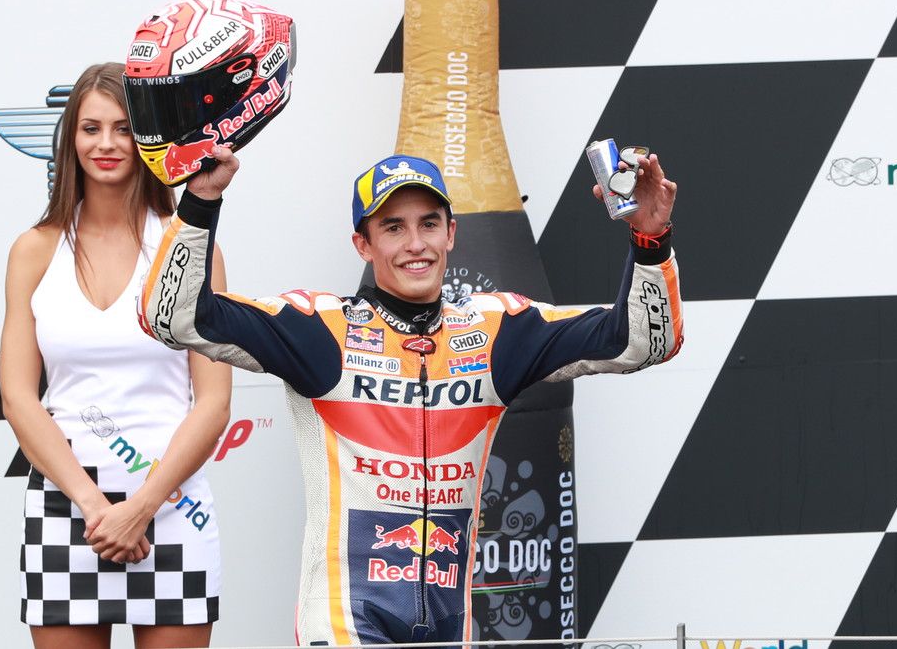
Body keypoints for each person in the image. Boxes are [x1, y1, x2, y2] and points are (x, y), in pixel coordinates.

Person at [138, 147, 681, 645]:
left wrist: (650, 240)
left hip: (448, 621)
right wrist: (200, 201)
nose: (415, 244)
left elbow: (641, 341)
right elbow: (174, 318)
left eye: (429, 224)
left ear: (451, 234)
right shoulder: (319, 329)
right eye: (393, 227)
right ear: (363, 243)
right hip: (345, 617)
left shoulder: (497, 331)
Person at [0, 62, 232, 649]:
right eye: (91, 128)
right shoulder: (33, 251)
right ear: (70, 139)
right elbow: (18, 398)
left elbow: (213, 402)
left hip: (173, 504)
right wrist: (94, 505)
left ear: (148, 138)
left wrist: (141, 507)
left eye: (124, 128)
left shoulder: (190, 247)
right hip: (68, 505)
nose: (105, 144)